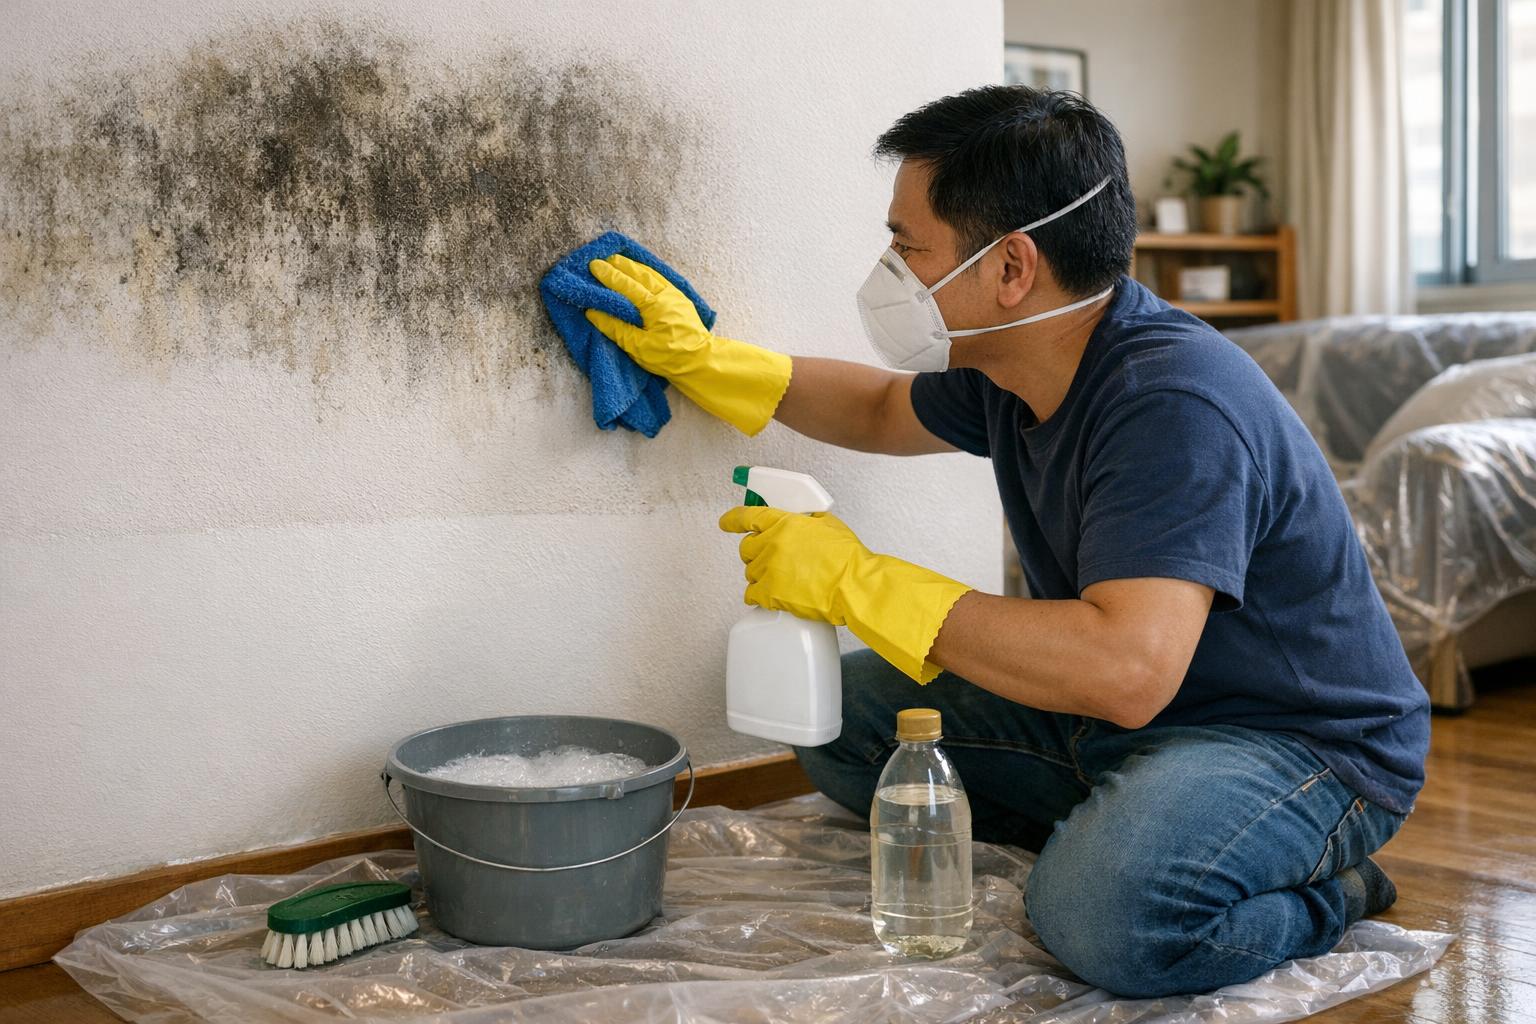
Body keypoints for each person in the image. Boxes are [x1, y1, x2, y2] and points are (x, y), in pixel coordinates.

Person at [580, 85, 1430, 998]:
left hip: (1294, 744)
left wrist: (859, 581)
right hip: (1127, 723)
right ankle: (1137, 825)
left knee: (1107, 919)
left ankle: (1331, 890)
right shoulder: (1013, 359)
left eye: (909, 245)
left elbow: (1126, 670)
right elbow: (879, 409)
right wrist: (709, 361)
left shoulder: (1171, 403)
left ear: (1012, 266)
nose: (890, 268)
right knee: (846, 724)